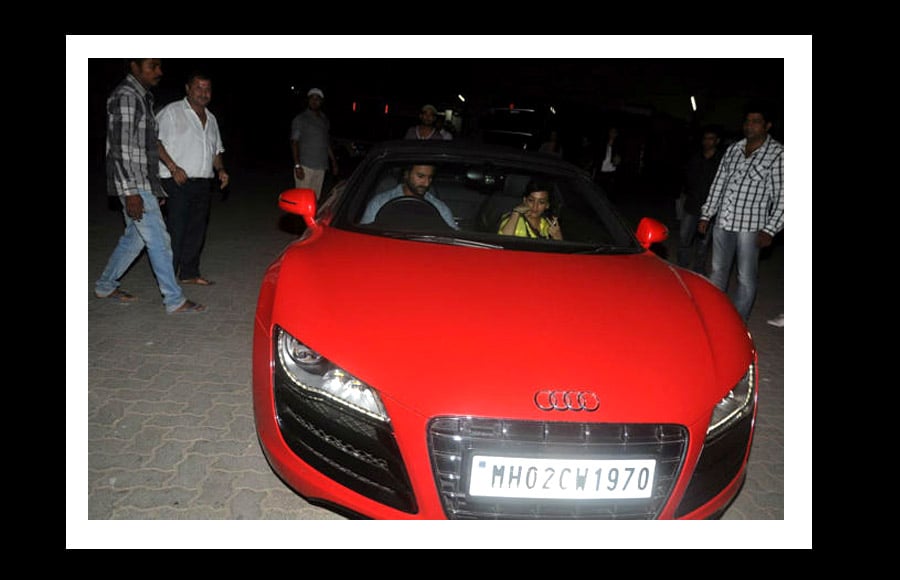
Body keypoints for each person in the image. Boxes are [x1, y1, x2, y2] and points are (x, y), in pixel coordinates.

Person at [94, 59, 206, 314]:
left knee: (135, 239)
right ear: (134, 66)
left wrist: (155, 187)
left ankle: (105, 285)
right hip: (133, 183)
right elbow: (120, 149)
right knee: (160, 240)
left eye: (159, 66)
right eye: (152, 66)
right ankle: (174, 300)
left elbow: (148, 145)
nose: (159, 72)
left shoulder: (142, 97)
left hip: (143, 182)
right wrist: (131, 192)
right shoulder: (126, 96)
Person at [698, 103, 784, 322]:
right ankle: (714, 316)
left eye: (756, 121)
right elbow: (719, 183)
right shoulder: (734, 149)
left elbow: (785, 196)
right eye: (747, 121)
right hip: (723, 222)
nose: (750, 126)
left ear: (768, 126)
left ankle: (736, 321)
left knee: (745, 277)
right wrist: (707, 214)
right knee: (717, 271)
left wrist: (771, 229)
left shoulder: (778, 155)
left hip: (751, 228)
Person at [156, 71, 229, 287]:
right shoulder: (172, 112)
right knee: (176, 231)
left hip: (203, 182)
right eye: (198, 87)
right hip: (177, 180)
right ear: (188, 88)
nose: (203, 93)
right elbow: (154, 141)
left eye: (207, 89)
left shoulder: (211, 118)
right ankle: (167, 280)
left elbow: (216, 150)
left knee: (197, 230)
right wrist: (172, 167)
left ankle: (189, 273)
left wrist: (221, 170)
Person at [676, 126, 723, 274]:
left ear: (717, 141)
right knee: (684, 239)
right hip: (691, 205)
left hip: (710, 209)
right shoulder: (695, 157)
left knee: (703, 243)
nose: (707, 141)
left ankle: (698, 271)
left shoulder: (721, 161)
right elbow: (685, 177)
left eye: (711, 138)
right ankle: (682, 269)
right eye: (705, 138)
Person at [360, 164, 458, 229]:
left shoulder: (439, 208)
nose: (426, 183)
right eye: (420, 176)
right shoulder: (380, 202)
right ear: (406, 174)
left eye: (430, 177)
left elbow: (453, 238)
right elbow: (364, 236)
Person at [291, 88, 338, 200]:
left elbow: (326, 142)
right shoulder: (301, 119)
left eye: (317, 99)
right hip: (305, 166)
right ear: (308, 100)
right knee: (302, 200)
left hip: (321, 166)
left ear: (321, 101)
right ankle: (299, 218)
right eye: (312, 98)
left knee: (314, 200)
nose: (314, 101)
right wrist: (297, 165)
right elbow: (294, 141)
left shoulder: (324, 119)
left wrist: (333, 162)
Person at [497, 180, 563, 240]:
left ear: (547, 205)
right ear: (525, 200)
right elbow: (503, 242)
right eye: (531, 200)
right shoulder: (514, 219)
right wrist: (515, 213)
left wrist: (558, 238)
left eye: (541, 202)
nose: (535, 206)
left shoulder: (548, 226)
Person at [596, 126, 623, 197]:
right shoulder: (604, 141)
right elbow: (599, 152)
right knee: (600, 184)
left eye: (614, 132)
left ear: (616, 134)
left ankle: (609, 199)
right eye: (611, 132)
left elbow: (620, 154)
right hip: (603, 165)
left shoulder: (618, 143)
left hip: (612, 167)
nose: (612, 134)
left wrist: (617, 159)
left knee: (610, 184)